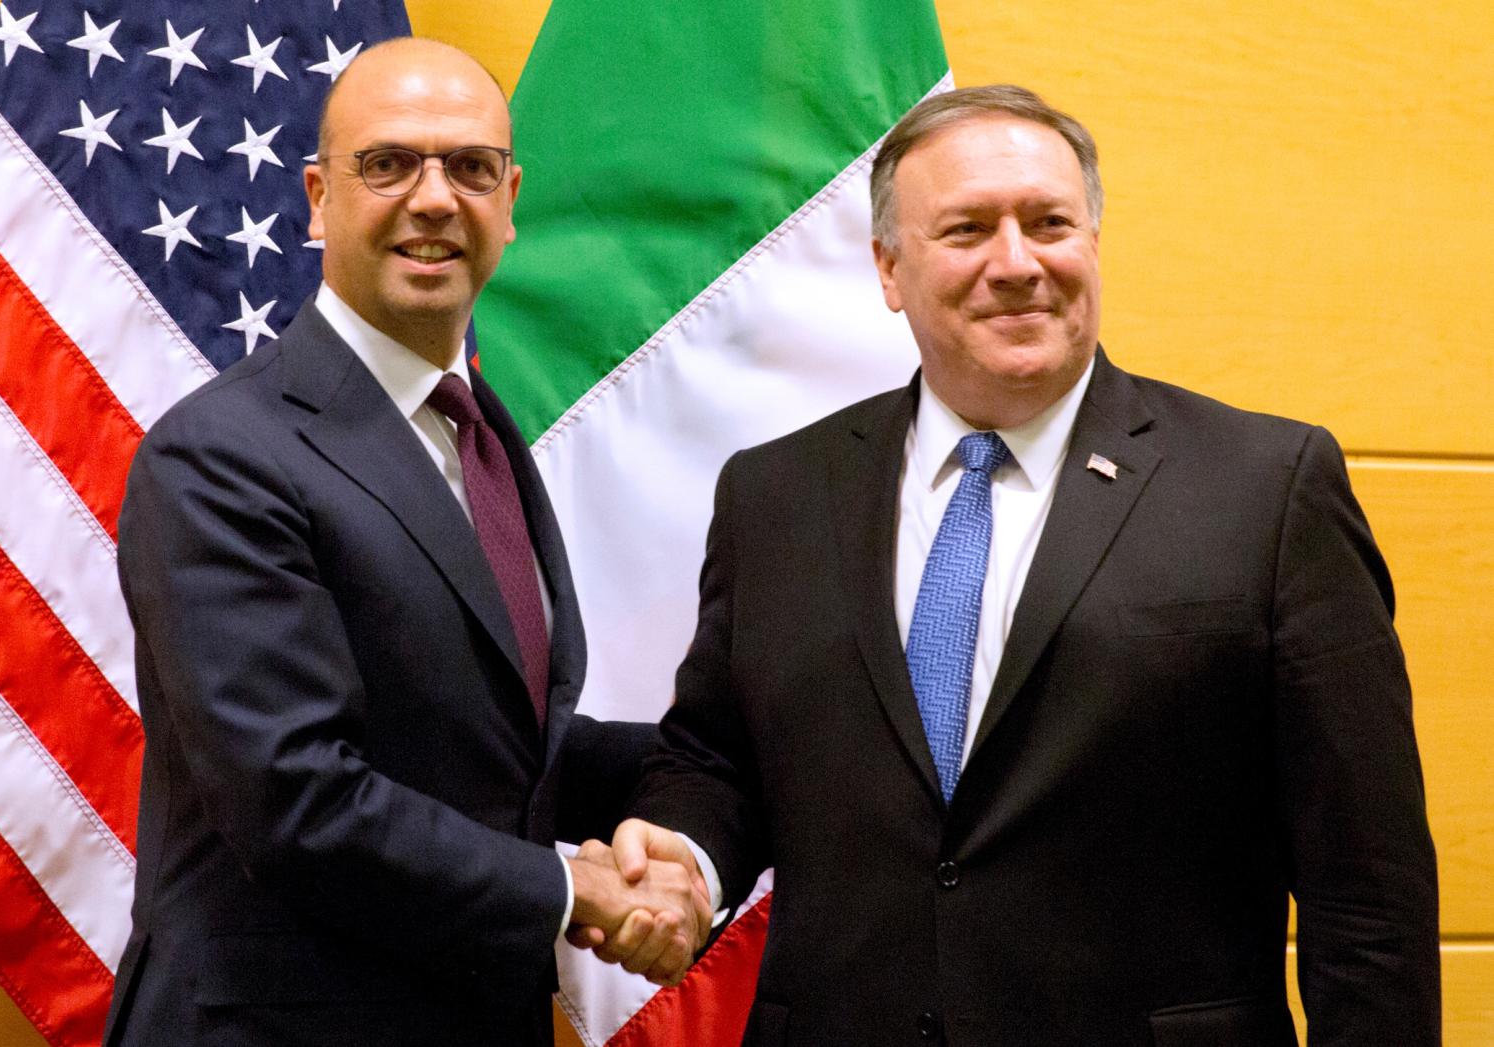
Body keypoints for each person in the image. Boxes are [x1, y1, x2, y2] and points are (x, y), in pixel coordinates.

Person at [614, 85, 1440, 1045]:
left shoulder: (1267, 488)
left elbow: (1368, 892)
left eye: (1049, 223)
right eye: (967, 230)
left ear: (1092, 241)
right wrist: (685, 856)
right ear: (888, 268)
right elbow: (718, 756)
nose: (1018, 264)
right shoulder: (774, 495)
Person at [103, 38, 707, 1047]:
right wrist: (574, 887)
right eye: (388, 164)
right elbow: (296, 800)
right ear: (317, 197)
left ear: (509, 202)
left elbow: (500, 758)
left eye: (471, 168)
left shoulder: (479, 434)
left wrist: (738, 768)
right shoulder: (220, 454)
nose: (434, 199)